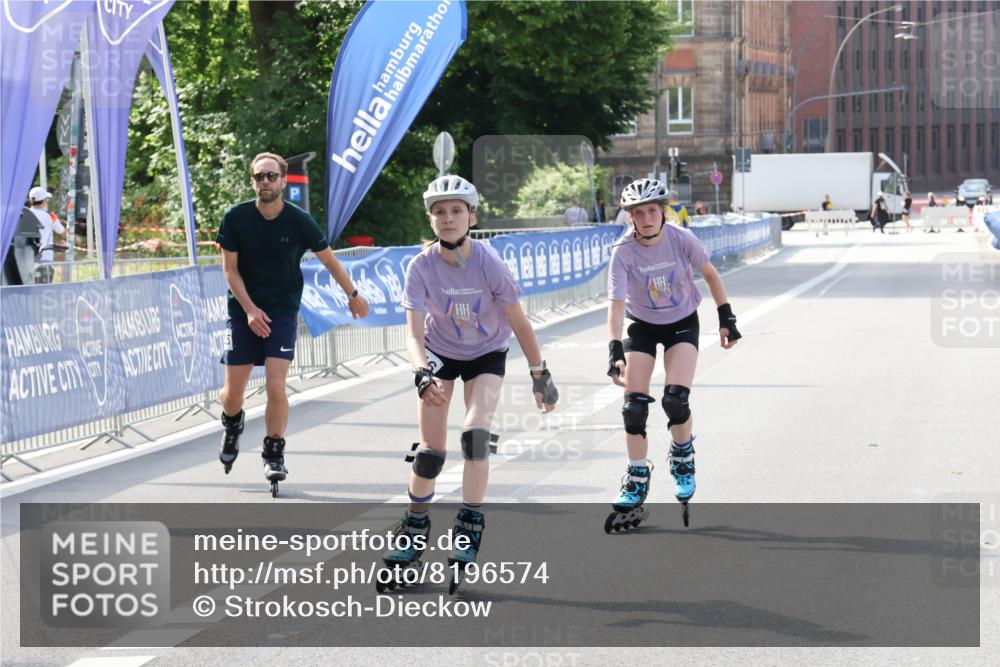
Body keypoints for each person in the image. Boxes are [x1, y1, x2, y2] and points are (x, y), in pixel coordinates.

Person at [381, 175, 559, 577]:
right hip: (441, 354)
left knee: (476, 436)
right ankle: (414, 526)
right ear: (430, 220)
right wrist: (421, 372)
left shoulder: (489, 262)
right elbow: (412, 331)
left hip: (486, 354)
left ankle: (469, 524)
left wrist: (539, 373)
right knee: (430, 454)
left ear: (472, 217)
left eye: (456, 211)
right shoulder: (420, 266)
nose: (448, 218)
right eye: (439, 212)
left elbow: (519, 322)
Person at [215, 152, 369, 495]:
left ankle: (274, 451)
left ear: (283, 181)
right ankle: (232, 423)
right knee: (232, 393)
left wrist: (352, 293)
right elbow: (229, 270)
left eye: (272, 176)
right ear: (252, 181)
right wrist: (251, 310)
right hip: (243, 313)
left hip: (282, 311)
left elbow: (329, 261)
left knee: (275, 385)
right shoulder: (235, 218)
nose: (265, 182)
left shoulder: (299, 221)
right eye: (259, 177)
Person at [604, 178, 741, 531]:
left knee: (675, 401)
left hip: (682, 321)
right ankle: (636, 476)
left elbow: (710, 275)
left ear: (663, 211)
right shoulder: (623, 251)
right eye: (638, 212)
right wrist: (614, 348)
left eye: (652, 210)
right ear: (630, 217)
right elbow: (616, 305)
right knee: (633, 407)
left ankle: (682, 456)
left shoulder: (682, 239)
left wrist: (726, 316)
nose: (646, 218)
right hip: (642, 324)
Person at [27, 187, 65, 283]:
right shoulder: (50, 216)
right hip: (45, 262)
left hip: (25, 263)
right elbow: (62, 232)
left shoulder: (25, 214)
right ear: (44, 201)